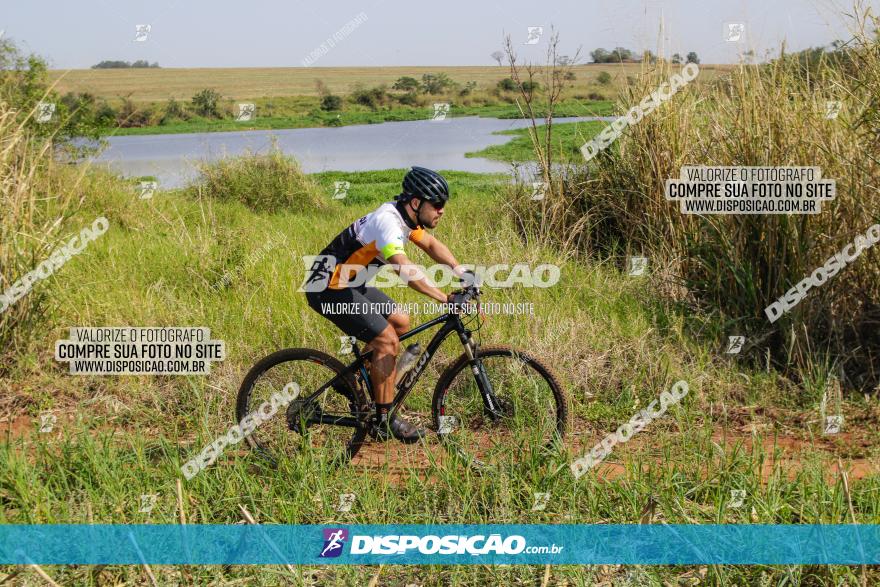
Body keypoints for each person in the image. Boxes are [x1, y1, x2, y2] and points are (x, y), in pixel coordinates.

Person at [305, 166, 466, 442]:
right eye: (437, 205)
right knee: (387, 341)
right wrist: (444, 297)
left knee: (401, 322)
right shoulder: (388, 222)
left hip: (349, 282)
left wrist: (461, 271)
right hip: (326, 287)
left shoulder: (406, 217)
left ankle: (355, 379)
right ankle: (385, 418)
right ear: (416, 202)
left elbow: (430, 245)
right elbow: (404, 268)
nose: (441, 211)